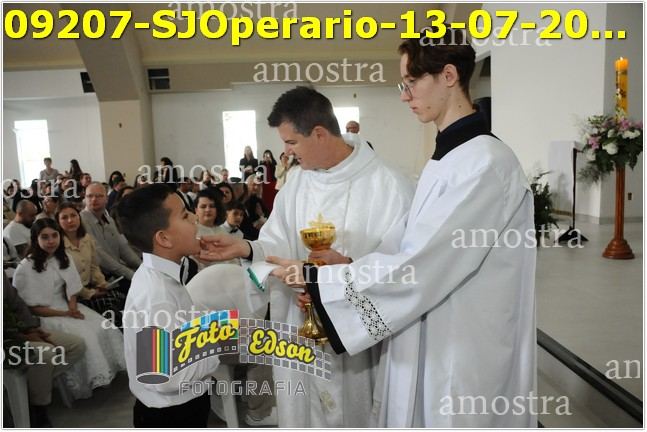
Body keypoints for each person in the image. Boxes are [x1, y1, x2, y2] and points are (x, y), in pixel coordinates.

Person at [265, 31, 537, 427]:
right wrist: (348, 265)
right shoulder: (449, 158)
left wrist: (324, 281)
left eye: (411, 83)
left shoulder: (484, 163)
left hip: (463, 342)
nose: (404, 96)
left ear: (448, 76)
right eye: (403, 85)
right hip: (434, 327)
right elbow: (408, 242)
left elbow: (423, 263)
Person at [199, 86, 414, 428]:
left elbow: (403, 271)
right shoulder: (297, 184)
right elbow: (276, 243)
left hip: (357, 344)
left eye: (292, 142)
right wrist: (247, 248)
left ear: (319, 134)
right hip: (300, 329)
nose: (286, 152)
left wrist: (337, 279)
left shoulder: (389, 186)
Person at [117, 184, 220, 428]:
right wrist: (217, 342)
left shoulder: (164, 272)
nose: (195, 218)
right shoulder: (156, 295)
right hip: (171, 415)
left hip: (182, 406)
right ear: (163, 238)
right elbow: (163, 376)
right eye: (185, 215)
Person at [12, 219, 125, 400]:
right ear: (35, 239)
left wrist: (72, 306)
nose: (51, 241)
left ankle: (109, 371)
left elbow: (72, 288)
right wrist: (65, 313)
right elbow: (31, 307)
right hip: (46, 315)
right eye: (45, 237)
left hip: (67, 307)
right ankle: (77, 381)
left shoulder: (63, 257)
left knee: (104, 326)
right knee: (86, 336)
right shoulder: (26, 267)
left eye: (54, 236)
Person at [3, 272, 86, 427]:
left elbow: (17, 304)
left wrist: (31, 329)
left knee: (76, 345)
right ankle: (38, 407)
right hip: (7, 340)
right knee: (46, 353)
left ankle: (30, 392)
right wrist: (22, 336)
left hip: (20, 331)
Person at [57, 202, 127, 329]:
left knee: (122, 298)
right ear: (58, 221)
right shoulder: (58, 245)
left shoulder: (86, 238)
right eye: (64, 218)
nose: (70, 220)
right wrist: (89, 293)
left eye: (73, 215)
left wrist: (102, 283)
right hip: (73, 295)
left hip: (90, 288)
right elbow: (66, 281)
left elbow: (94, 266)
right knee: (111, 307)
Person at [81, 182, 142, 282]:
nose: (94, 199)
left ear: (107, 199)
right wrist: (131, 274)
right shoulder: (81, 221)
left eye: (99, 196)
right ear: (85, 198)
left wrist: (142, 266)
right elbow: (100, 255)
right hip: (100, 278)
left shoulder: (109, 220)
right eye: (89, 196)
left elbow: (123, 249)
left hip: (116, 274)